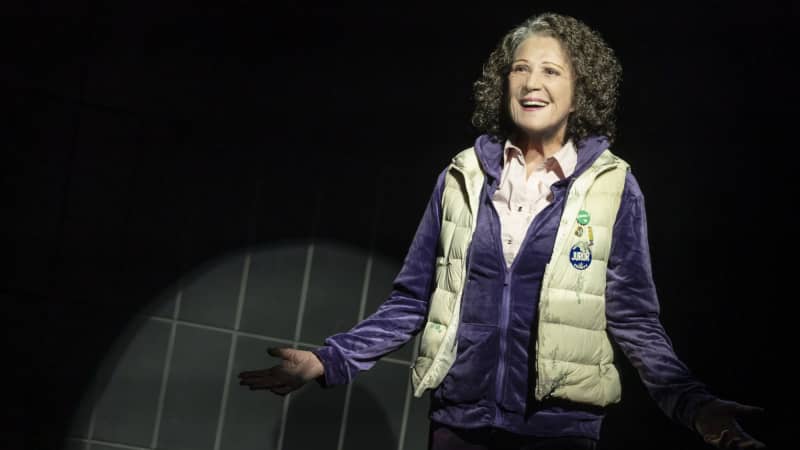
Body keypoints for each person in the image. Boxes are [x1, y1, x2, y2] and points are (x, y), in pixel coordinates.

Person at [239, 12, 766, 450]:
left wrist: (693, 406)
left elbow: (635, 321)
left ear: (581, 91)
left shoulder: (614, 186)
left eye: (552, 71)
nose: (533, 82)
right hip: (459, 424)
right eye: (520, 68)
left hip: (559, 431)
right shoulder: (460, 177)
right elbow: (412, 300)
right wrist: (328, 360)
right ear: (504, 83)